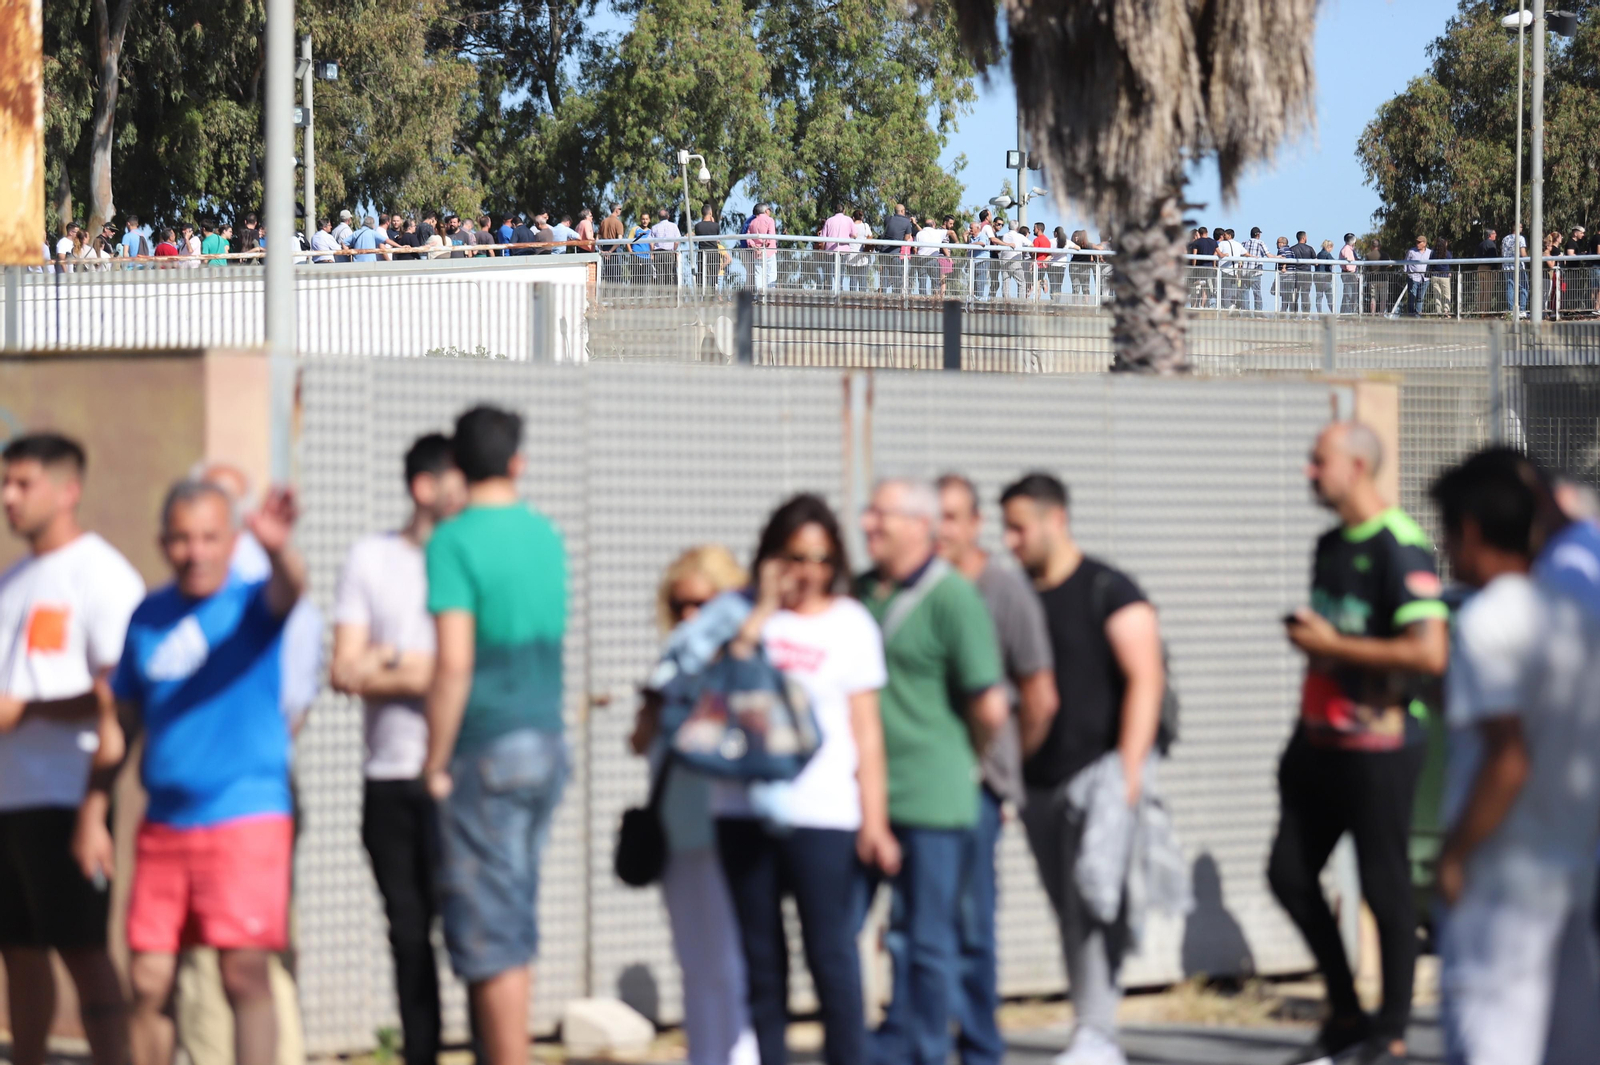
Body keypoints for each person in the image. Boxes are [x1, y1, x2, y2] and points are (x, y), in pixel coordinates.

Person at [74, 480, 305, 1065]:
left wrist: (279, 549)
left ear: (230, 542)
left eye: (208, 537)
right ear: (162, 542)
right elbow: (122, 723)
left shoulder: (253, 604)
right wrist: (94, 812)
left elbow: (291, 589)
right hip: (164, 826)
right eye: (181, 539)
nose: (195, 551)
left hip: (245, 815)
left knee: (243, 973)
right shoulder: (147, 617)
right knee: (148, 979)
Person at [1271, 421, 1449, 1065]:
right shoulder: (1328, 545)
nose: (1308, 473)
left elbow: (1429, 651)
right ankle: (1346, 1014)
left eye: (1318, 461)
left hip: (1381, 747)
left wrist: (1331, 645)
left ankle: (1390, 1035)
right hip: (1319, 743)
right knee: (1288, 873)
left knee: (1385, 885)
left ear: (1356, 466)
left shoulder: (1400, 545)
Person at [702, 495, 897, 1065]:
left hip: (824, 809)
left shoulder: (850, 622)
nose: (808, 570)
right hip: (741, 805)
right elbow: (718, 684)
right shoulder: (739, 612)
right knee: (762, 960)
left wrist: (874, 818)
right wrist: (761, 608)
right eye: (795, 555)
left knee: (830, 953)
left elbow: (867, 730)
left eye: (820, 557)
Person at [1428, 449, 1600, 1065]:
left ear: (1470, 530)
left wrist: (1453, 855)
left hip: (1500, 885)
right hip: (1571, 875)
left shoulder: (1486, 621)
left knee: (1491, 1046)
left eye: (1447, 534)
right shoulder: (1578, 613)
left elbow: (1507, 758)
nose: (1447, 552)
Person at [997, 473, 1168, 1065]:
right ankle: (1092, 1029)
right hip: (1036, 780)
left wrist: (1129, 767)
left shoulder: (1108, 588)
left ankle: (1097, 1033)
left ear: (1055, 519)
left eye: (1020, 527)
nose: (1010, 540)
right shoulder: (1017, 594)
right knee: (1066, 906)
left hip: (1098, 773)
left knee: (1095, 899)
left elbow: (1146, 677)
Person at [422, 405, 568, 1065]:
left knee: (491, 935)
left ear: (456, 464)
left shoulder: (453, 541)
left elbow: (454, 661)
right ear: (518, 461)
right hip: (545, 742)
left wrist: (435, 758)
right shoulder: (544, 534)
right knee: (514, 916)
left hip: (486, 749)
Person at [0, 434, 141, 1065]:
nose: (8, 498)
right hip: (10, 795)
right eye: (6, 484)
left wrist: (28, 710)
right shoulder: (14, 579)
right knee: (17, 950)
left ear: (68, 490)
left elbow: (121, 693)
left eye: (23, 484)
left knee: (82, 948)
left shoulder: (102, 575)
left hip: (66, 794)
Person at [857, 478, 1005, 1065]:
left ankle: (931, 1050)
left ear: (920, 525)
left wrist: (955, 760)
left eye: (881, 514)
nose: (868, 524)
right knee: (884, 935)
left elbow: (990, 706)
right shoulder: (862, 592)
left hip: (935, 798)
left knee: (931, 940)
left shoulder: (953, 599)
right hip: (868, 795)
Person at [330, 434, 466, 1065]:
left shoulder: (470, 557)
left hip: (458, 778)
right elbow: (342, 671)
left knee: (473, 931)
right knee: (408, 935)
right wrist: (418, 665)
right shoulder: (372, 558)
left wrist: (386, 662)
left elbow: (472, 670)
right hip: (387, 777)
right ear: (425, 487)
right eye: (459, 481)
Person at [936, 476, 1056, 1065]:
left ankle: (981, 1049)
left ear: (973, 523)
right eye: (934, 518)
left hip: (978, 788)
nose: (943, 530)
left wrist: (1009, 769)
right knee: (920, 927)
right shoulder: (916, 590)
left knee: (972, 923)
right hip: (921, 786)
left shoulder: (1003, 592)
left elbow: (1038, 694)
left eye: (954, 517)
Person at [629, 547, 758, 1065]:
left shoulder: (745, 661)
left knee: (732, 959)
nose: (689, 617)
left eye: (702, 604)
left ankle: (741, 1054)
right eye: (679, 605)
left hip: (728, 819)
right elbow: (639, 739)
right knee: (694, 958)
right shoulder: (673, 660)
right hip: (676, 822)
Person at [747, 204, 779, 292]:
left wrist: (753, 245)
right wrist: (766, 243)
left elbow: (748, 236)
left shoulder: (752, 222)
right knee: (771, 273)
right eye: (769, 209)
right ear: (765, 211)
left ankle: (759, 295)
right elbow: (771, 234)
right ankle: (770, 295)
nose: (770, 211)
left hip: (757, 252)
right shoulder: (770, 220)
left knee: (758, 274)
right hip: (769, 251)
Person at [1185, 226, 1218, 308]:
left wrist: (1194, 266)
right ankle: (1202, 306)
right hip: (1207, 268)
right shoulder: (1212, 242)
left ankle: (1194, 306)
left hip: (1195, 269)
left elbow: (1194, 256)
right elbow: (1217, 253)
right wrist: (1214, 264)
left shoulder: (1194, 244)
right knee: (1204, 289)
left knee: (1195, 289)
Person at [1502, 223, 1529, 318]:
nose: (1522, 228)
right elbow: (1523, 253)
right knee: (1524, 287)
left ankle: (1511, 310)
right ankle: (1521, 310)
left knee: (1510, 288)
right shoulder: (1520, 238)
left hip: (1507, 266)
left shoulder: (1505, 239)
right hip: (1518, 267)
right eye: (1521, 227)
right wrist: (1528, 259)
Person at [694, 205, 723, 294]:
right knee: (714, 274)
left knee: (701, 273)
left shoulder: (697, 226)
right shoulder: (716, 226)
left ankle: (700, 294)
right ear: (710, 213)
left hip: (702, 252)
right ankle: (713, 294)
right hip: (714, 252)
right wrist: (713, 222)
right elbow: (718, 239)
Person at [651, 208, 683, 284]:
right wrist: (674, 250)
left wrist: (652, 253)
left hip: (658, 253)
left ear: (658, 217)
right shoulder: (674, 226)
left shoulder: (654, 227)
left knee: (660, 275)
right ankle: (670, 294)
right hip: (669, 252)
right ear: (668, 216)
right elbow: (677, 241)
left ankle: (661, 294)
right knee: (670, 275)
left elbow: (650, 242)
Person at [1403, 234, 1432, 317]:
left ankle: (1418, 316)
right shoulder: (1411, 251)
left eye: (1419, 242)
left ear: (1425, 243)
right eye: (1417, 242)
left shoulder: (1430, 252)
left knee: (1420, 298)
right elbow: (1405, 262)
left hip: (1425, 279)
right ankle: (1411, 315)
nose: (1417, 244)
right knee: (1411, 297)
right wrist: (1407, 273)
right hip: (1413, 278)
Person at [598, 205, 625, 283]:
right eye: (620, 209)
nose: (621, 210)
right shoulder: (618, 223)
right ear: (616, 210)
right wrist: (610, 251)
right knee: (617, 274)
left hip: (605, 248)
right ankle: (617, 294)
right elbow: (619, 241)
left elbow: (597, 239)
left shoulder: (604, 222)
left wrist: (601, 250)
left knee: (608, 273)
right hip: (615, 249)